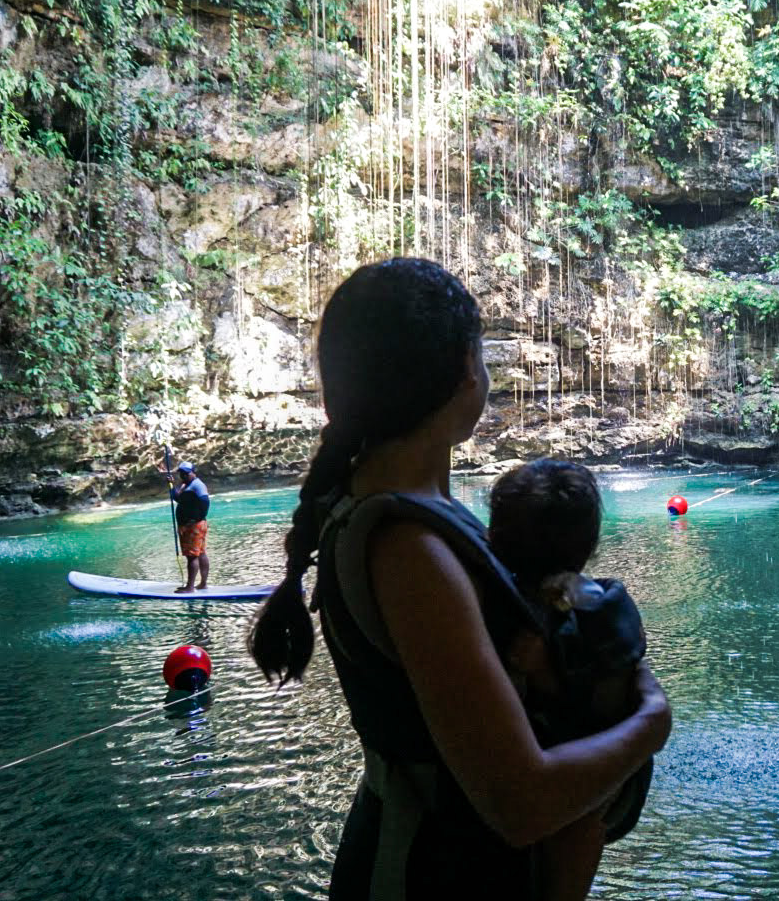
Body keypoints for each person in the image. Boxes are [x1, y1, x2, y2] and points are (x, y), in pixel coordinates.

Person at [247, 258, 670, 900]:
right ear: (468, 369)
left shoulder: (406, 516)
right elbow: (521, 801)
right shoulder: (411, 551)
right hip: (429, 874)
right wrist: (651, 722)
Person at [486, 459, 654, 901]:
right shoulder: (606, 606)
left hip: (593, 768)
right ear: (590, 544)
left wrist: (544, 677)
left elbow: (604, 716)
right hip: (589, 765)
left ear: (493, 539)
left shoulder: (599, 611)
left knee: (576, 827)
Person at [167, 462, 211, 593]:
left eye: (186, 473)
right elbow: (179, 499)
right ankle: (202, 584)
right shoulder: (187, 485)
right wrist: (171, 486)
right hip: (192, 525)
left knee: (192, 556)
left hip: (193, 526)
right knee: (201, 553)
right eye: (181, 473)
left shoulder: (198, 485)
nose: (183, 475)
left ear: (193, 472)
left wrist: (195, 519)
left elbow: (205, 502)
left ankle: (190, 587)